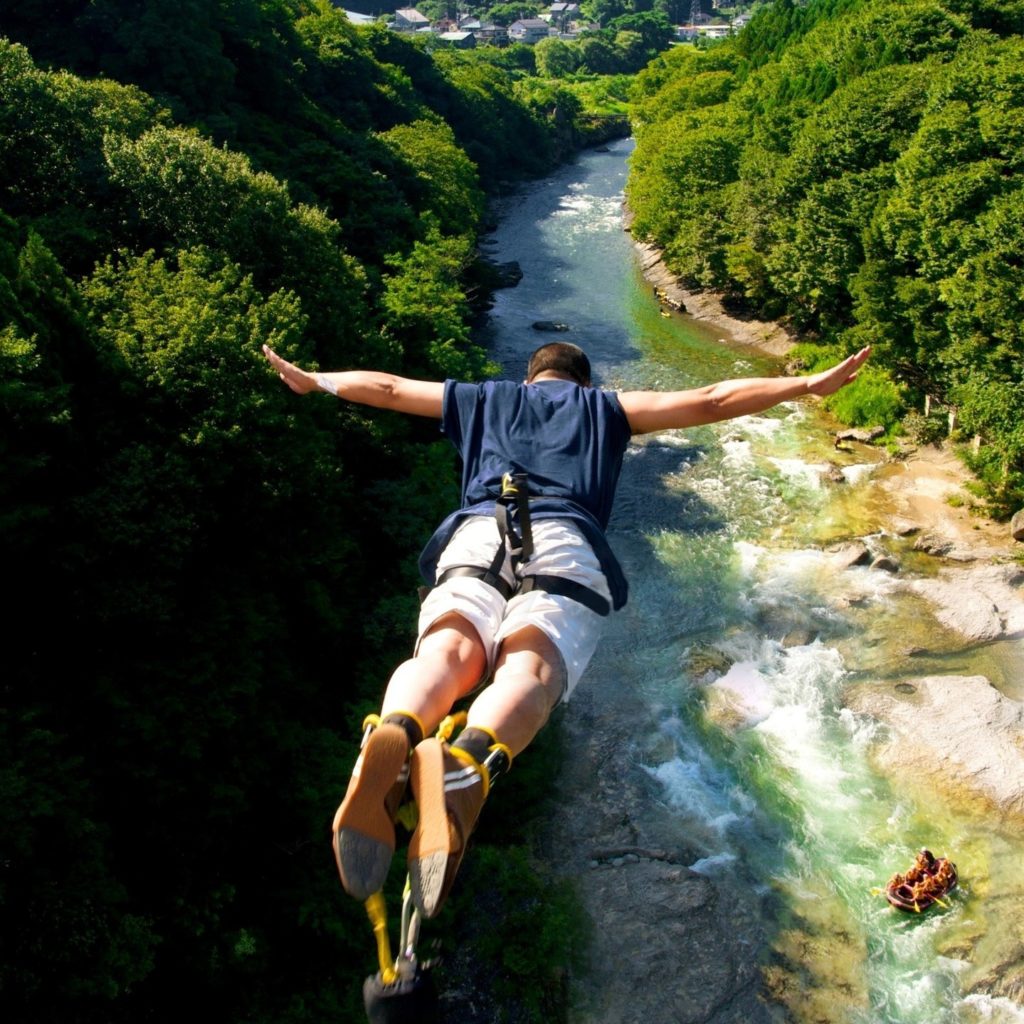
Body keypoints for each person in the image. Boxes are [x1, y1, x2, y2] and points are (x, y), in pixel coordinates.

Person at [263, 340, 871, 918]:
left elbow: (392, 389)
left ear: (531, 377)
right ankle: (467, 763)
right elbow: (713, 399)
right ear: (584, 381)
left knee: (449, 649)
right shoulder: (607, 408)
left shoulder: (482, 398)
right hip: (563, 541)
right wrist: (806, 385)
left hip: (479, 531)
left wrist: (317, 380)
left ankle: (392, 732)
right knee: (529, 668)